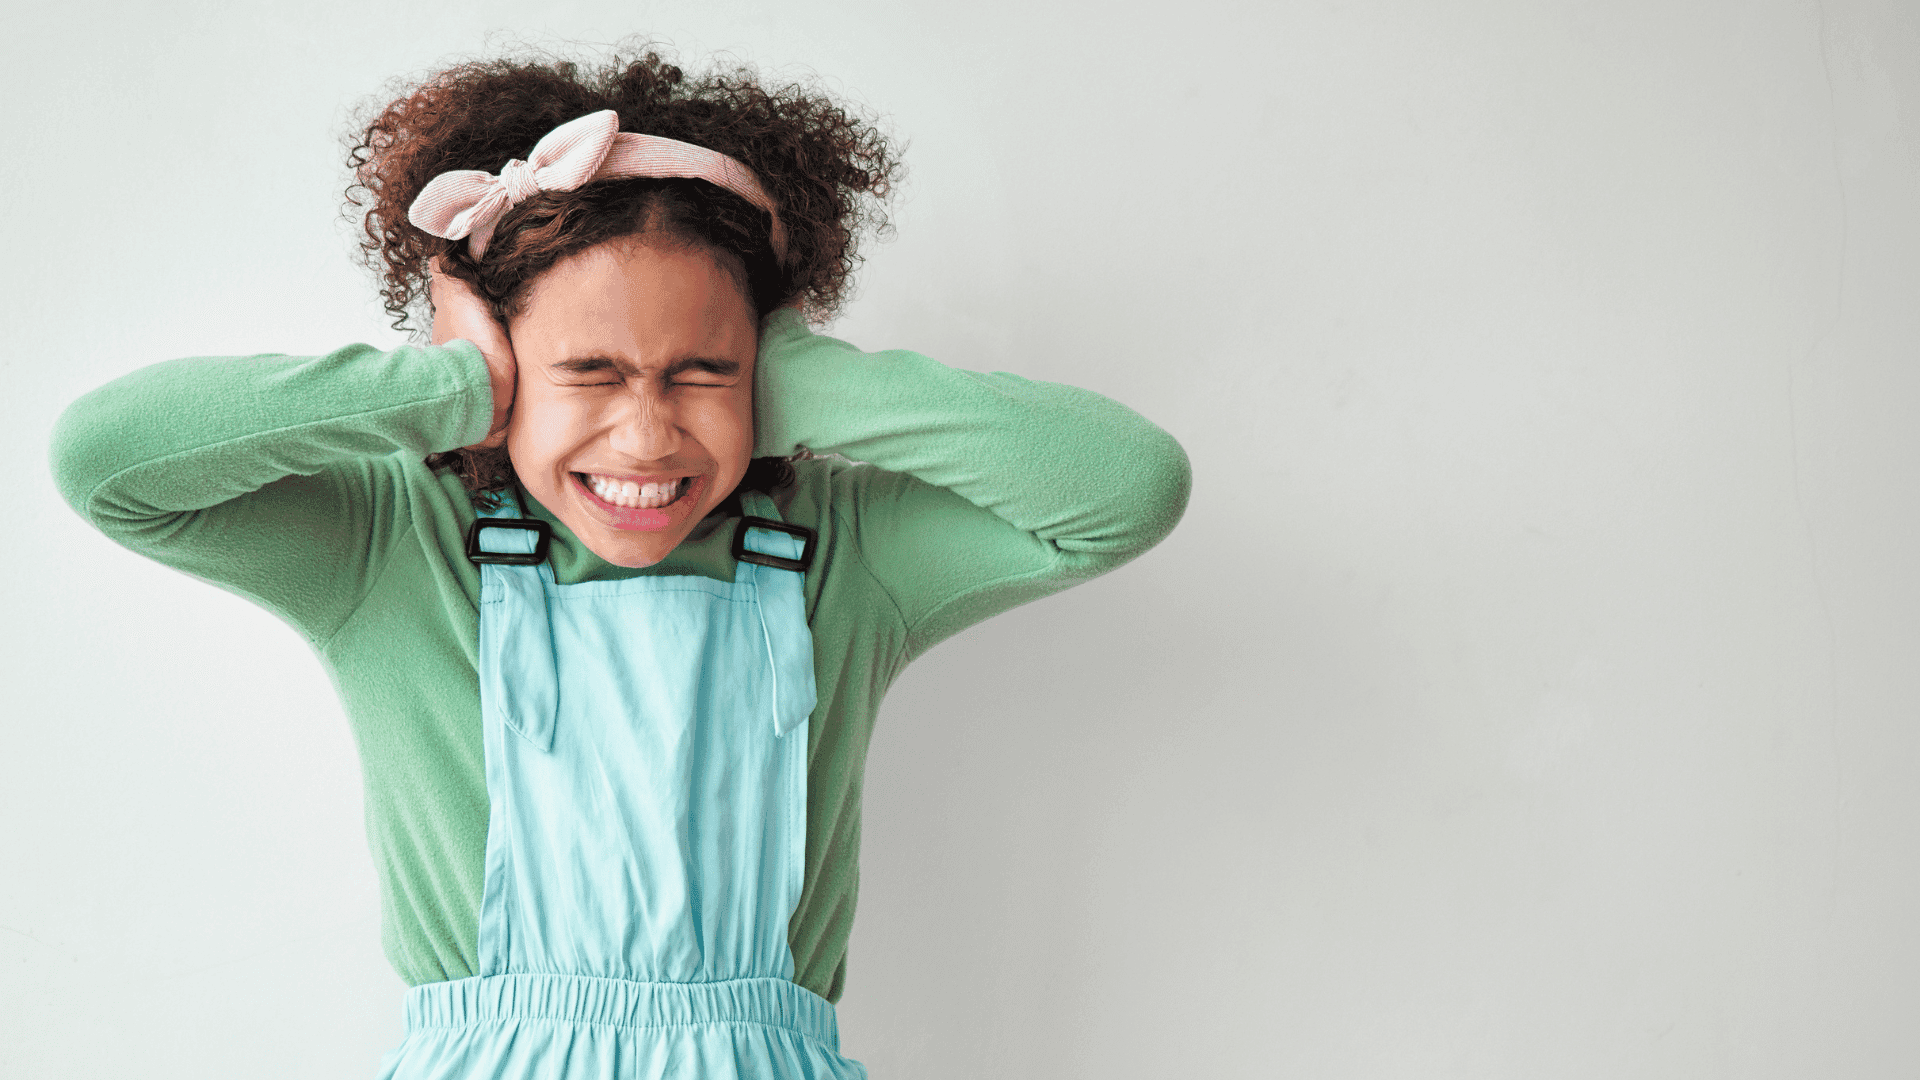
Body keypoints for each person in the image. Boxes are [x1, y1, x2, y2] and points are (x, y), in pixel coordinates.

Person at [49, 45, 1190, 1078]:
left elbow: (1125, 488)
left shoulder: (842, 557)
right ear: (504, 366)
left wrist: (791, 376)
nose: (647, 435)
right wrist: (449, 387)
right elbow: (109, 461)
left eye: (701, 373)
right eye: (588, 372)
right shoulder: (393, 550)